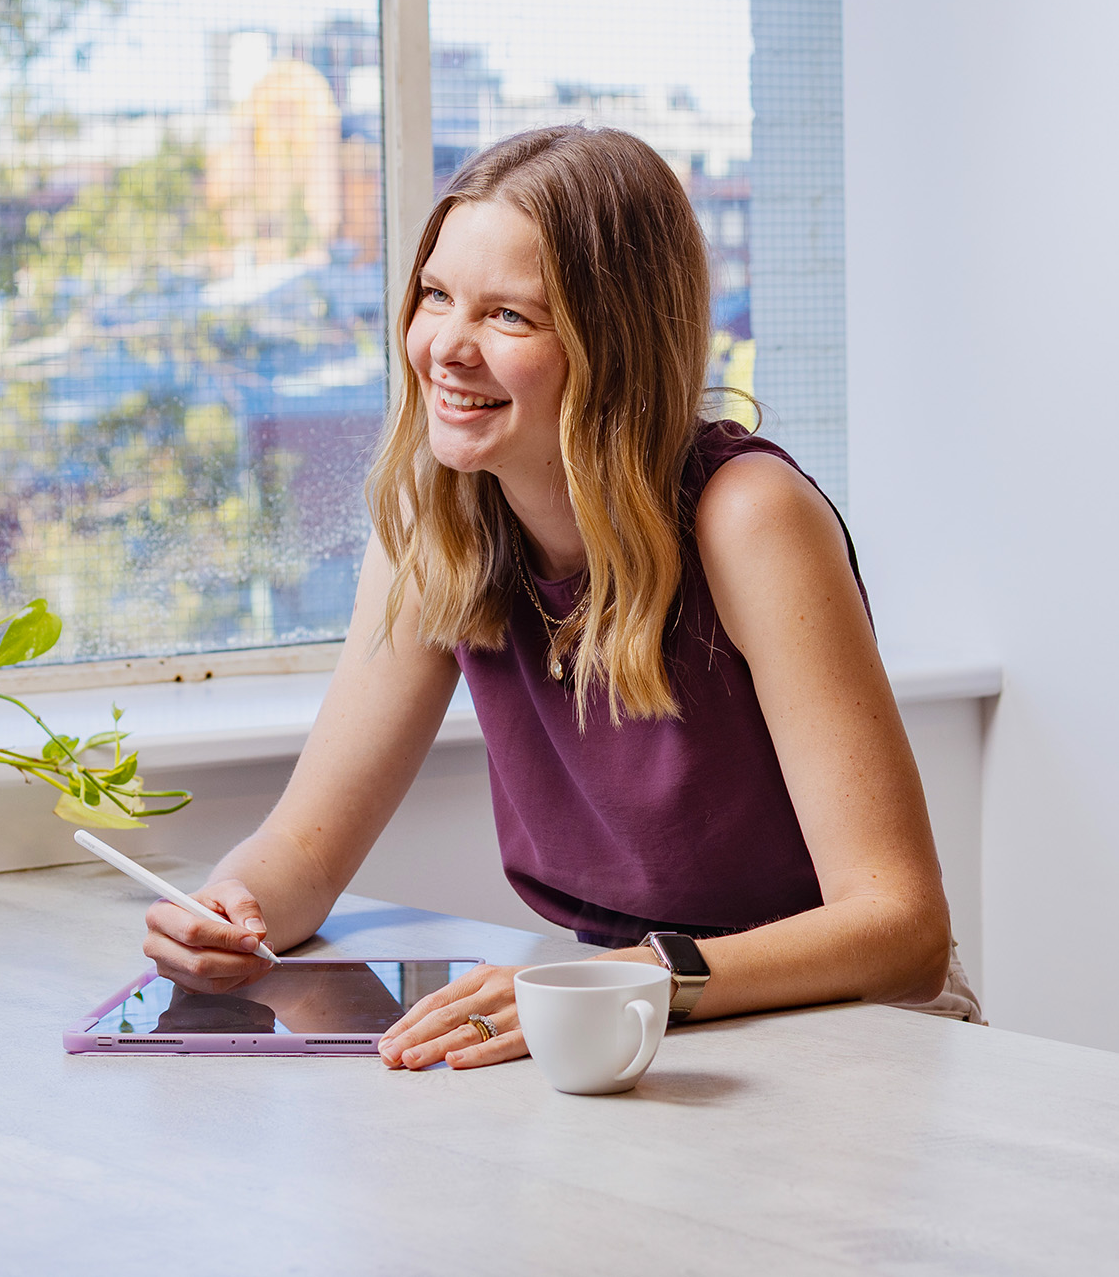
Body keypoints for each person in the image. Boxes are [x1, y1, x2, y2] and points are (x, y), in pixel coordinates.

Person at [144, 125, 976, 1071]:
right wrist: (229, 907)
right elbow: (303, 850)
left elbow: (901, 933)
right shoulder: (434, 521)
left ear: (614, 345)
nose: (446, 348)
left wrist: (628, 981)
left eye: (509, 316)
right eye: (436, 296)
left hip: (848, 1033)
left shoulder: (748, 517)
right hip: (630, 1021)